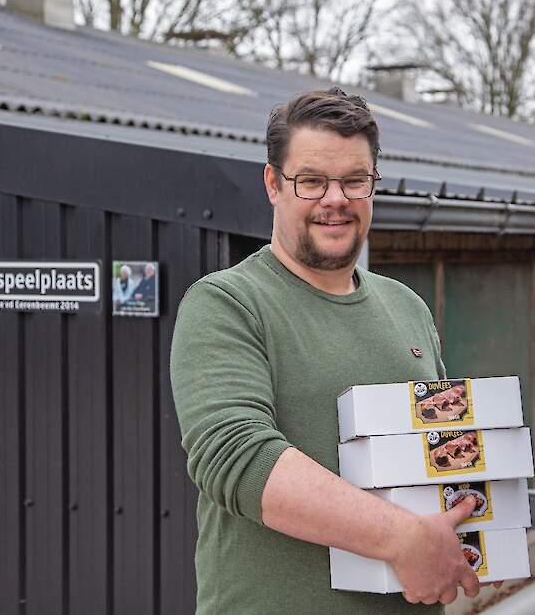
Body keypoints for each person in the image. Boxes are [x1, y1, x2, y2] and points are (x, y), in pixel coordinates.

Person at [170, 88, 483, 615]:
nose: (334, 199)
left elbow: (437, 456)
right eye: (311, 180)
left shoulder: (406, 306)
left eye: (354, 180)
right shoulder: (225, 303)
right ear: (274, 183)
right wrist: (401, 537)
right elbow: (236, 457)